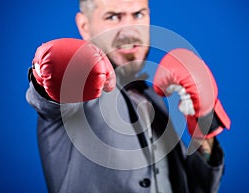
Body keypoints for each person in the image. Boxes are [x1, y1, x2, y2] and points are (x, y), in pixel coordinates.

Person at [26, 0, 231, 192]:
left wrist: (203, 124)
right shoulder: (76, 95)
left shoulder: (154, 98)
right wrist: (49, 73)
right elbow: (48, 98)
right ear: (84, 26)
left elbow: (196, 188)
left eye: (138, 14)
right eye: (113, 17)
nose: (130, 30)